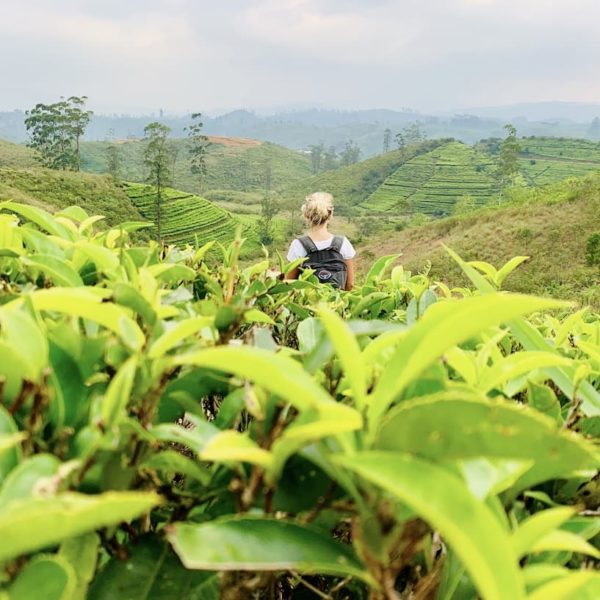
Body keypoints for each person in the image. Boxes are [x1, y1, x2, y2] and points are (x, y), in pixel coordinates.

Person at [286, 192, 355, 291]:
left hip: (306, 305)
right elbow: (350, 284)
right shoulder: (343, 243)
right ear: (330, 214)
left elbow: (289, 282)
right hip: (337, 303)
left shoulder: (298, 244)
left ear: (306, 215)